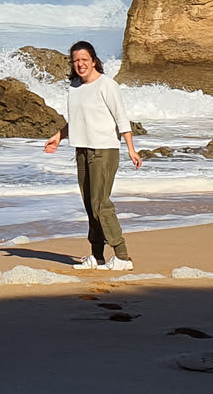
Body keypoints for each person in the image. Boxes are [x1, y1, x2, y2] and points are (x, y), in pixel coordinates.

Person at [42, 40, 141, 271]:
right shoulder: (75, 87)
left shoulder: (107, 85)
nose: (80, 64)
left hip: (103, 151)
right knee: (90, 204)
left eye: (84, 59)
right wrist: (58, 136)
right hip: (82, 150)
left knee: (100, 203)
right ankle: (97, 256)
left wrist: (131, 149)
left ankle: (122, 256)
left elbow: (121, 118)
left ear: (94, 61)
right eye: (76, 60)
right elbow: (77, 120)